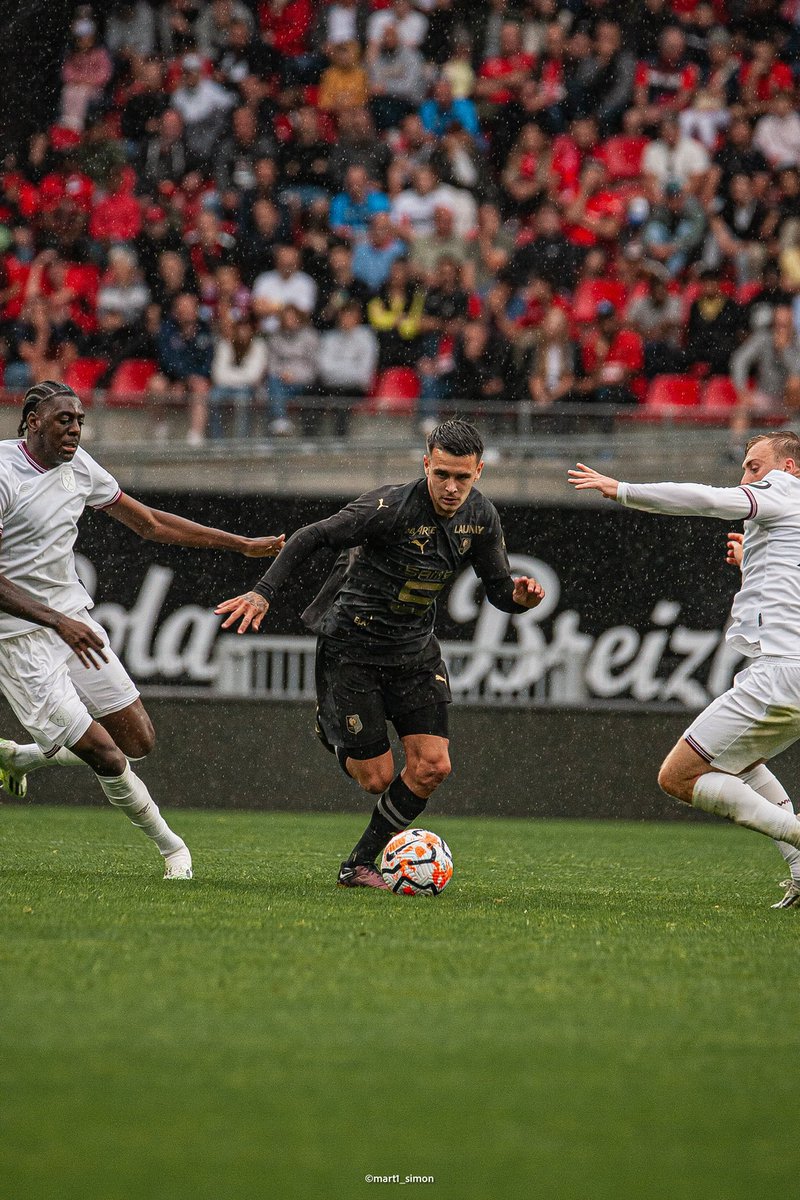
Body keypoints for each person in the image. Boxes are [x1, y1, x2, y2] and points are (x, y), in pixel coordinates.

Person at [215, 419, 545, 888]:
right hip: (353, 647)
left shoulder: (483, 518)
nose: (451, 487)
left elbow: (497, 589)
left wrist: (518, 600)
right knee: (376, 777)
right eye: (442, 474)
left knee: (433, 766)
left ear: (480, 472)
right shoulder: (387, 506)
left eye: (463, 477)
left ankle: (358, 865)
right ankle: (329, 725)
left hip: (414, 650)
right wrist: (263, 593)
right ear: (426, 464)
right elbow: (312, 535)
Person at [0, 381, 284, 877]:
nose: (74, 429)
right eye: (64, 419)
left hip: (74, 622)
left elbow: (150, 523)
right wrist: (55, 620)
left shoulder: (79, 468)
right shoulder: (4, 473)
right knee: (106, 756)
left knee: (138, 741)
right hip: (18, 636)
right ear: (32, 421)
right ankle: (173, 848)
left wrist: (239, 545)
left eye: (80, 420)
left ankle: (21, 759)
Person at [568, 432, 800, 909]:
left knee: (678, 777)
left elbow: (708, 499)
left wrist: (625, 490)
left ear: (790, 467)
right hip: (790, 672)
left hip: (778, 675)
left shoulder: (785, 491)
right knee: (742, 763)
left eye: (755, 467)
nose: (746, 478)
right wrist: (751, 561)